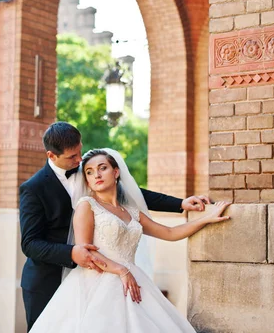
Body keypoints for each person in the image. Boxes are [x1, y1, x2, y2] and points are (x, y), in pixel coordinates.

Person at [19, 122, 211, 331]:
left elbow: (134, 194)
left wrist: (180, 203)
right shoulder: (33, 189)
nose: (79, 161)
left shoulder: (89, 171)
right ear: (51, 156)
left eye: (79, 152)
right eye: (72, 157)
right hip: (48, 279)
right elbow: (30, 244)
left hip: (107, 274)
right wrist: (72, 252)